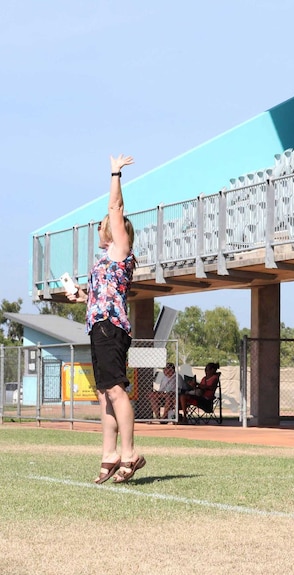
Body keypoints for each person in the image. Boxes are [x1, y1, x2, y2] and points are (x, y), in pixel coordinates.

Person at [67, 154, 146, 484]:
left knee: (115, 390)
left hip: (111, 328)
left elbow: (115, 208)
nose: (101, 227)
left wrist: (115, 173)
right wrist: (80, 296)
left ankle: (129, 454)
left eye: (105, 224)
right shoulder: (105, 261)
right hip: (98, 325)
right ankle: (109, 453)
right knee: (104, 394)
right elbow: (102, 296)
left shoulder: (120, 249)